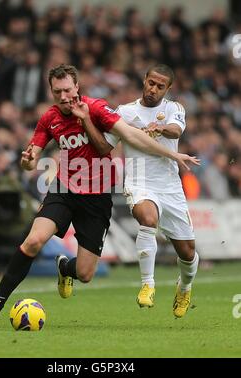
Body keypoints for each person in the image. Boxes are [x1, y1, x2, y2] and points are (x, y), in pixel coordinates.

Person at [0, 64, 199, 323]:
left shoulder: (96, 108)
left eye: (67, 90)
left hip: (96, 197)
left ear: (77, 87)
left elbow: (129, 136)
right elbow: (31, 158)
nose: (63, 96)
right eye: (57, 91)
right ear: (51, 91)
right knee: (33, 241)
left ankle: (64, 267)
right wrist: (28, 160)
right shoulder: (49, 118)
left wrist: (172, 154)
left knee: (85, 273)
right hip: (64, 189)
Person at [76, 64, 199, 318]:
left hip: (170, 187)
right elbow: (103, 146)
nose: (153, 89)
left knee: (187, 253)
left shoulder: (174, 109)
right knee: (148, 219)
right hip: (139, 182)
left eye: (160, 86)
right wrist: (86, 122)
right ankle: (148, 285)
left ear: (168, 89)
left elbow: (176, 130)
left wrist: (159, 128)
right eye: (151, 83)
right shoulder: (126, 112)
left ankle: (184, 287)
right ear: (144, 80)